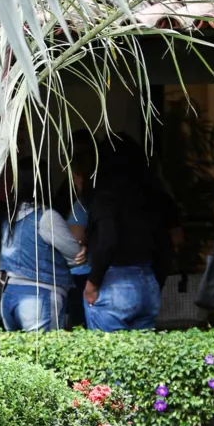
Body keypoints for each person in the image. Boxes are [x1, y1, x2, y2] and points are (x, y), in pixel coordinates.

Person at [83, 135, 172, 332]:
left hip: (114, 281)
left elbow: (108, 240)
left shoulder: (105, 196)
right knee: (142, 360)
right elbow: (166, 243)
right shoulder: (150, 196)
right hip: (148, 280)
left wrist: (93, 282)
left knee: (107, 357)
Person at [0, 163, 85, 331]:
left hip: (8, 294)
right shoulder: (46, 217)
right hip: (39, 296)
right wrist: (83, 250)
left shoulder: (9, 218)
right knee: (44, 354)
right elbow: (76, 255)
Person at [65, 130, 96, 328]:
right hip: (96, 272)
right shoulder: (100, 201)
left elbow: (76, 241)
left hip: (82, 275)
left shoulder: (81, 205)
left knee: (79, 325)